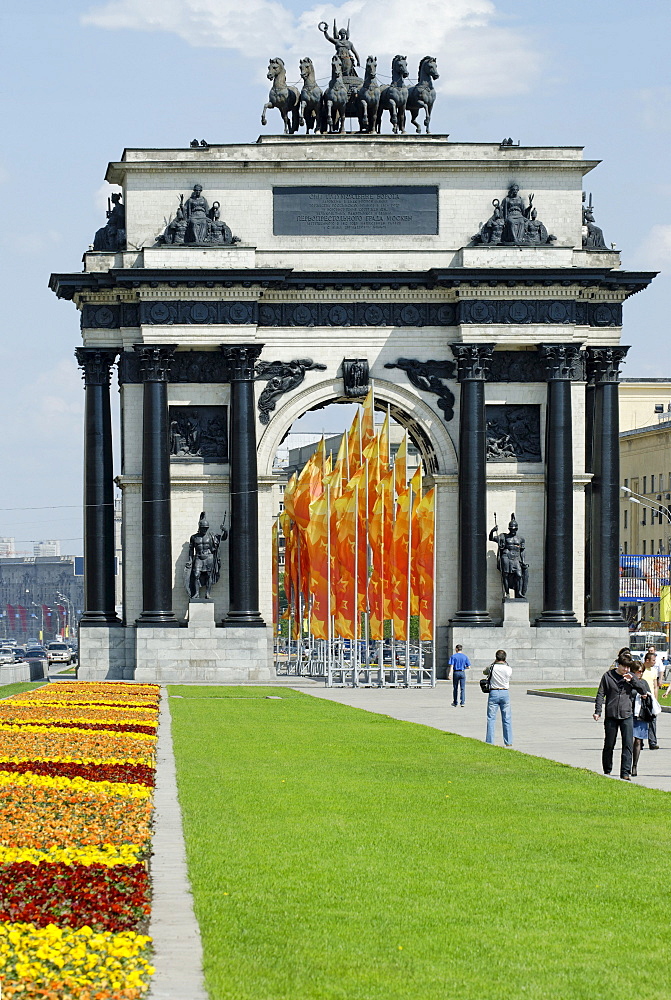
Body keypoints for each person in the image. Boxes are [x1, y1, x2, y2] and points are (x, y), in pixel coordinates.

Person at [594, 652, 647, 780]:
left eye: (628, 667)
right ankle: (607, 770)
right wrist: (598, 711)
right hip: (611, 714)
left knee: (628, 744)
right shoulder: (608, 676)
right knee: (609, 744)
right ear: (618, 665)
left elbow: (643, 691)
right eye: (623, 666)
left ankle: (625, 772)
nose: (626, 669)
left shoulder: (631, 677)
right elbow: (601, 694)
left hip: (626, 714)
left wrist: (633, 680)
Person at [484, 649, 513, 747]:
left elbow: (484, 672)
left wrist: (493, 663)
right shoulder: (508, 669)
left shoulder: (492, 667)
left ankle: (490, 741)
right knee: (507, 718)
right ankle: (508, 741)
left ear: (496, 658)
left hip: (494, 692)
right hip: (505, 692)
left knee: (491, 718)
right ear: (505, 658)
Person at [631, 662, 653, 777]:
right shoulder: (628, 682)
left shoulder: (643, 682)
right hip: (630, 713)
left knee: (638, 740)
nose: (640, 673)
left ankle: (634, 765)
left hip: (641, 715)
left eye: (642, 671)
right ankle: (627, 763)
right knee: (629, 740)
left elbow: (650, 697)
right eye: (639, 671)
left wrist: (646, 696)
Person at [641, 650, 661, 749]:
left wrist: (656, 699)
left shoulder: (654, 670)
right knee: (641, 720)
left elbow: (655, 686)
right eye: (653, 660)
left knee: (653, 720)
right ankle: (639, 742)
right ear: (647, 660)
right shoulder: (641, 669)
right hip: (641, 698)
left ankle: (652, 742)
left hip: (651, 699)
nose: (654, 662)